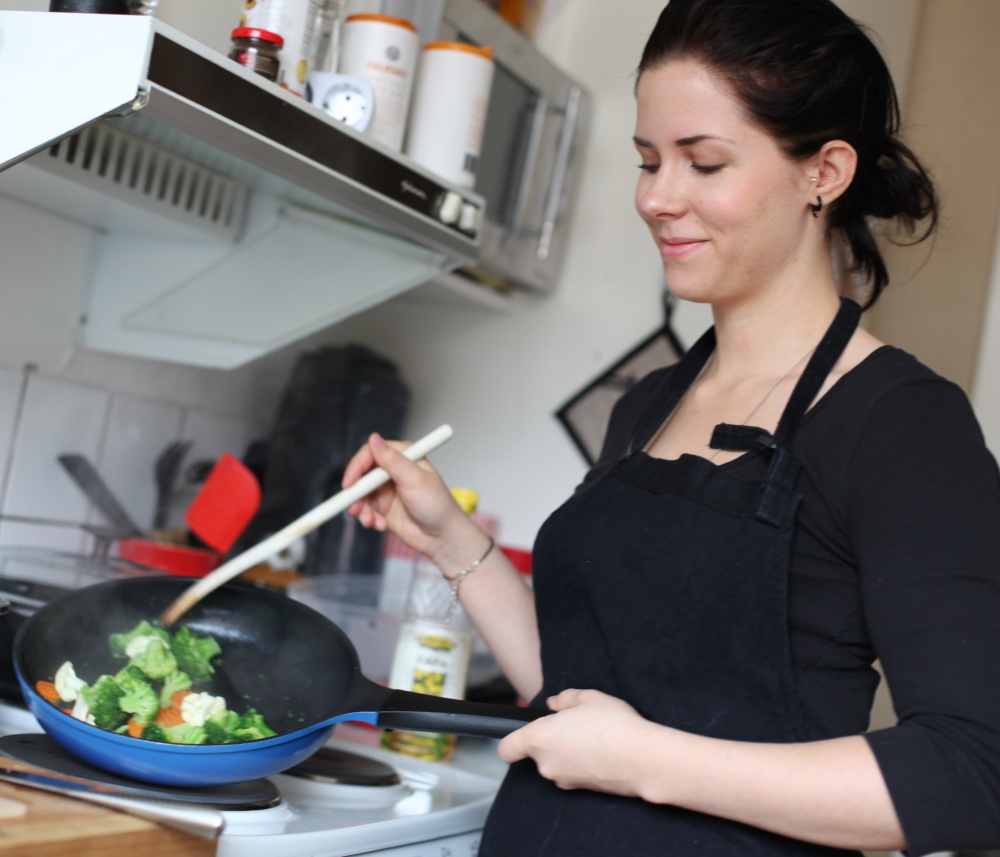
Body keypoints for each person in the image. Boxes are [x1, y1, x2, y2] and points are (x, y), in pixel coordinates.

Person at [342, 0, 1000, 854]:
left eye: (705, 162)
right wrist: (447, 537)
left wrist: (646, 761)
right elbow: (581, 688)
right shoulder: (647, 403)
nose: (656, 197)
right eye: (649, 160)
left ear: (825, 172)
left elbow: (971, 774)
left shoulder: (903, 424)